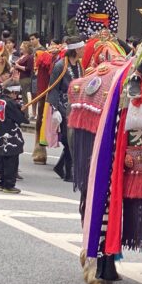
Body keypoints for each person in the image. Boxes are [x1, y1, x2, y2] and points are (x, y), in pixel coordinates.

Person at [52, 37, 84, 182]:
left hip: (76, 106)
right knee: (67, 139)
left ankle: (61, 167)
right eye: (82, 48)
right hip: (63, 106)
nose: (84, 51)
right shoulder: (60, 66)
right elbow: (52, 88)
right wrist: (55, 109)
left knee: (74, 139)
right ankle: (68, 171)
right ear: (76, 49)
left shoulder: (79, 65)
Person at [0, 78, 28, 194]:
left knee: (2, 160)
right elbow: (20, 119)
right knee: (12, 162)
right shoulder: (11, 103)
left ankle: (2, 183)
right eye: (16, 93)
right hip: (11, 135)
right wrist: (21, 110)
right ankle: (9, 184)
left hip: (0, 134)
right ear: (12, 92)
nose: (17, 96)